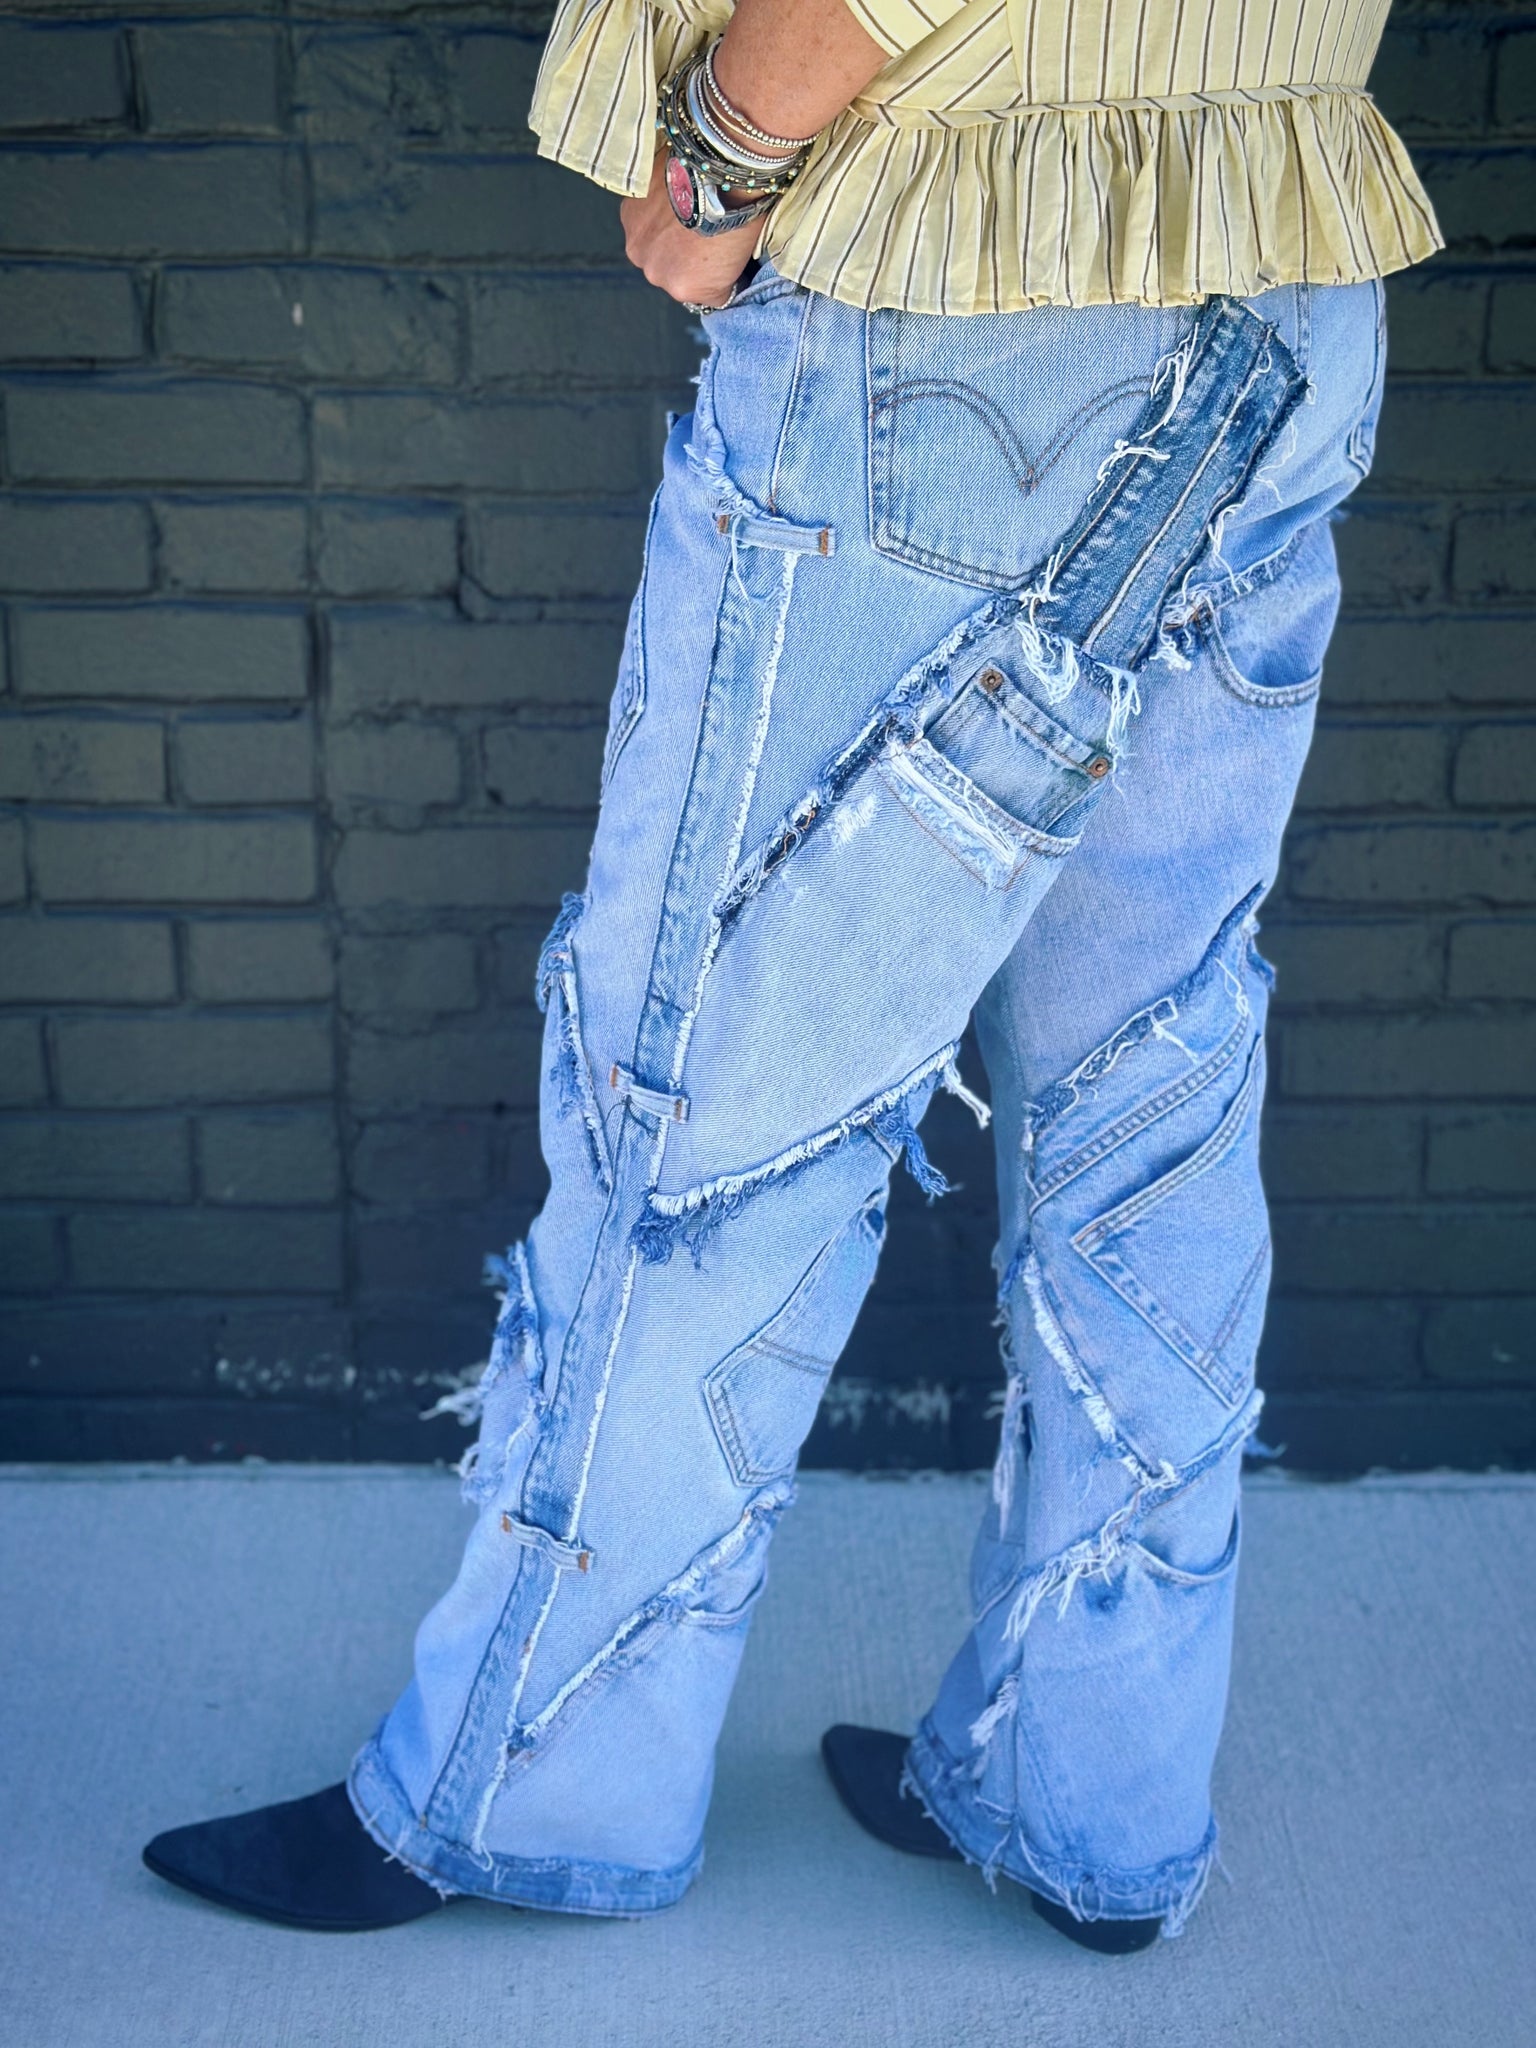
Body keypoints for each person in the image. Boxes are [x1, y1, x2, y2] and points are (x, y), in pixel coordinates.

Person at [143, 0, 1440, 1950]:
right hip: (1285, 269)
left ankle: (520, 1796)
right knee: (1152, 1098)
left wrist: (726, 151)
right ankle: (1089, 1797)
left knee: (702, 1111)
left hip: (963, 311)